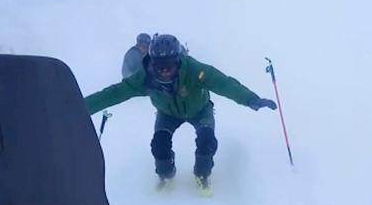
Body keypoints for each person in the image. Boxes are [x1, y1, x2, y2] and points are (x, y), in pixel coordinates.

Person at [85, 34, 277, 189]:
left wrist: (251, 99)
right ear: (152, 63)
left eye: (170, 64)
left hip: (200, 110)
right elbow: (115, 93)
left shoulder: (195, 70)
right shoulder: (145, 78)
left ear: (178, 60)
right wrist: (82, 107)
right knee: (159, 145)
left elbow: (223, 83)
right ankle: (166, 175)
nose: (165, 70)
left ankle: (202, 174)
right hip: (167, 114)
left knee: (207, 141)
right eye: (160, 66)